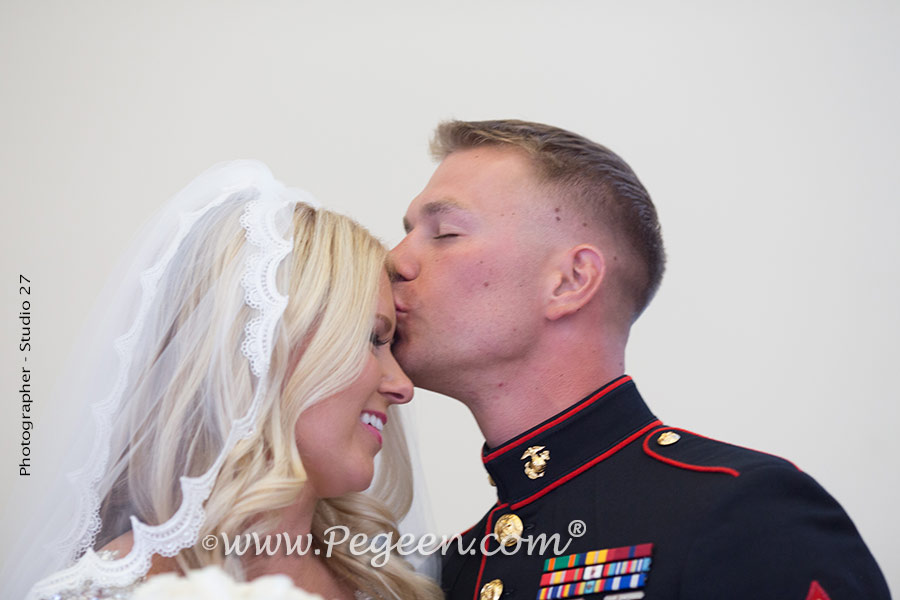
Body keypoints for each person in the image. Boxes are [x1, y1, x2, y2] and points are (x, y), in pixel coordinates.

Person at [390, 120, 890, 599]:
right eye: (407, 231)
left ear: (570, 281)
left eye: (445, 233)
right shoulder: (457, 568)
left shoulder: (744, 512)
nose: (396, 259)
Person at [12, 161, 442, 600]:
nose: (402, 386)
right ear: (267, 349)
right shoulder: (105, 593)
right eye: (373, 338)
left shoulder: (389, 585)